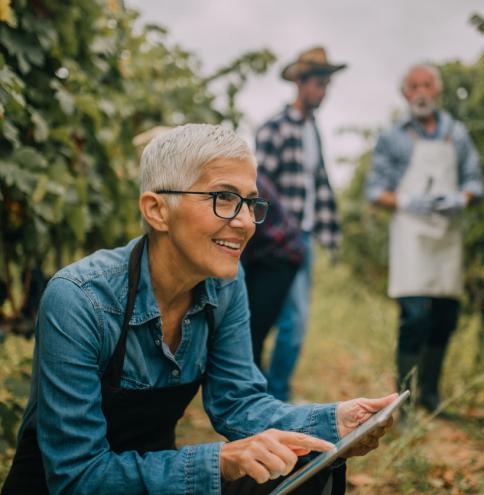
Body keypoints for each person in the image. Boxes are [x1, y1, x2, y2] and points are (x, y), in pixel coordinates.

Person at [3, 124, 396, 495]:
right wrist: (220, 462)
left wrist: (335, 422)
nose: (245, 222)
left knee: (303, 458)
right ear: (157, 210)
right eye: (223, 198)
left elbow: (237, 402)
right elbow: (78, 478)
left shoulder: (225, 284)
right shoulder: (79, 299)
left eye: (250, 202)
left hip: (151, 481)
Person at [365, 64, 483, 413]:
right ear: (405, 93)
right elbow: (375, 190)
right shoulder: (393, 137)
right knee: (414, 316)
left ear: (438, 90)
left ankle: (430, 396)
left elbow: (474, 180)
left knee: (445, 315)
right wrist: (406, 200)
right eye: (413, 86)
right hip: (411, 236)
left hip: (446, 236)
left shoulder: (457, 134)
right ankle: (403, 400)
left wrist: (461, 198)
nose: (420, 92)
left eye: (427, 85)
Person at [255, 46, 345, 401]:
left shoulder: (313, 131)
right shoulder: (274, 128)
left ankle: (272, 392)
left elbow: (318, 184)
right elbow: (260, 185)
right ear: (301, 83)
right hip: (277, 241)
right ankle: (273, 396)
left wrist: (330, 233)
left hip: (303, 238)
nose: (323, 92)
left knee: (291, 321)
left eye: (326, 85)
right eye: (319, 84)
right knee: (281, 320)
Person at [242, 175, 305, 369]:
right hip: (256, 254)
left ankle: (252, 392)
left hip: (280, 255)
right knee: (246, 330)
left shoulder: (246, 181)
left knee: (252, 332)